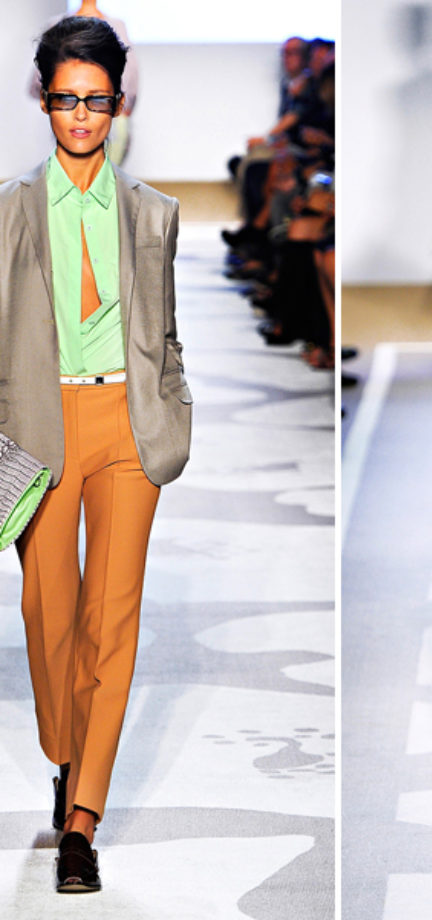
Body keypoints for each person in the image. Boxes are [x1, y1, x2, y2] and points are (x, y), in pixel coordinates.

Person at [11, 16, 191, 892]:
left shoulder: (155, 212)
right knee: (49, 619)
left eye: (96, 99)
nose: (82, 115)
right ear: (43, 101)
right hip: (41, 429)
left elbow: (166, 330)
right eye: (66, 99)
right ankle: (65, 750)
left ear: (119, 104)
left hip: (127, 427)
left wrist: (172, 412)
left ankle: (83, 817)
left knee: (112, 622)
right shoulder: (7, 211)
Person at [29, 1, 139, 165]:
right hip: (97, 110)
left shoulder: (117, 25)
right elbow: (40, 75)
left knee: (104, 168)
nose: (82, 114)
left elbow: (130, 72)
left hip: (110, 113)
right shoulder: (57, 25)